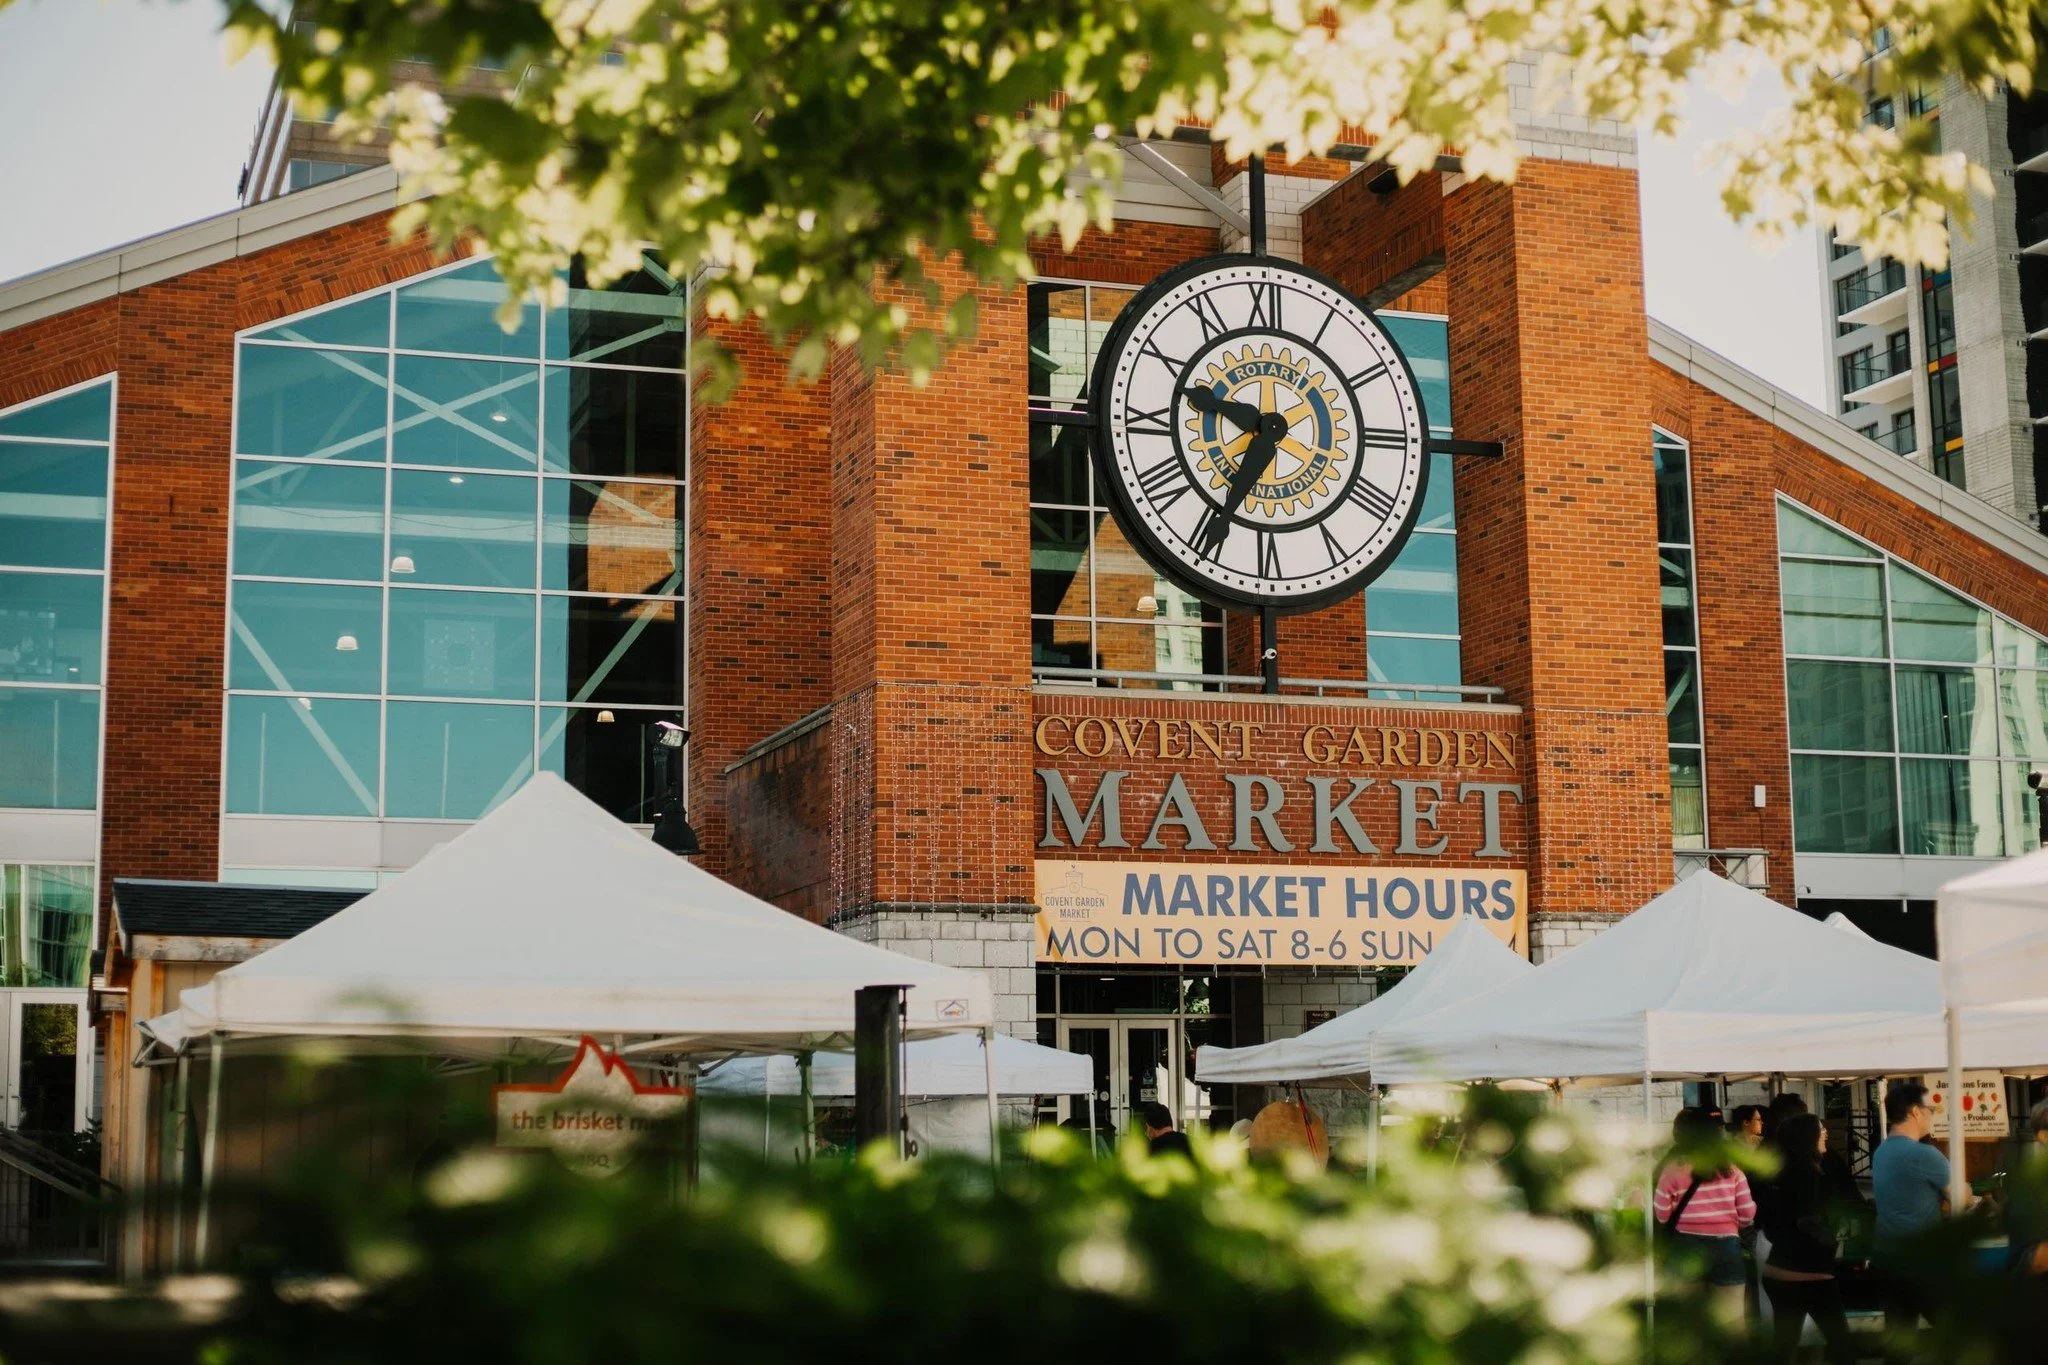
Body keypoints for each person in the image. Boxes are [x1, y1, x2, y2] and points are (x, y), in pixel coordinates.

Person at [1872, 1079, 1972, 1334]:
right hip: (1921, 1260)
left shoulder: (1881, 1152)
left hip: (1886, 1258)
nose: (1933, 1116)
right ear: (1916, 1111)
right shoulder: (1925, 1155)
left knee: (1899, 1340)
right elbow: (1963, 1199)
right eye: (1932, 1109)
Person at [1758, 1114, 1853, 1363]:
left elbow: (1770, 1223)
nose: (1826, 1134)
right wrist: (1833, 1240)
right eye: (1821, 1130)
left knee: (1784, 1345)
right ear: (1807, 1137)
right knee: (1841, 1345)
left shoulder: (1776, 1172)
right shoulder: (1807, 1174)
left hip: (1778, 1270)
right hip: (1811, 1273)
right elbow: (1807, 1221)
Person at [1655, 1106, 1755, 1325]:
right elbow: (1748, 1213)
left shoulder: (1672, 1169)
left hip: (1686, 1246)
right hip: (1727, 1245)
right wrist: (1731, 1223)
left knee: (1689, 1322)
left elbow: (1662, 1214)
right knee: (1734, 1321)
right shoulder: (1732, 1169)